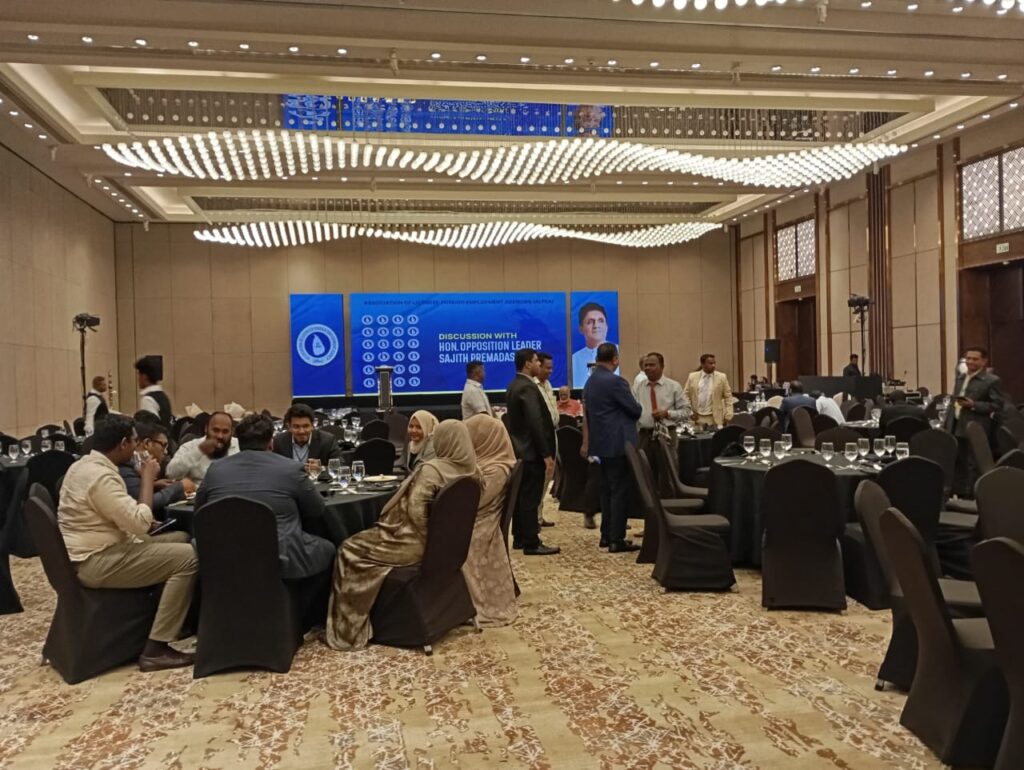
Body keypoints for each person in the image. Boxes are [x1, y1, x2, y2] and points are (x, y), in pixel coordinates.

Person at [57, 415, 197, 672]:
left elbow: (118, 516)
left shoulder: (82, 466)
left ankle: (166, 619)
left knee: (181, 538)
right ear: (122, 443)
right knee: (189, 557)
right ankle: (156, 648)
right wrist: (147, 478)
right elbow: (140, 523)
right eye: (134, 441)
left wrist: (140, 515)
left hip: (89, 552)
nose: (136, 447)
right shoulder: (100, 477)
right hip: (96, 561)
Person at [325, 420, 479, 650]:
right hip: (449, 548)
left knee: (348, 549)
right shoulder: (472, 471)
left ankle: (348, 632)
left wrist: (398, 531)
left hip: (414, 544)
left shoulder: (432, 471)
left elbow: (416, 514)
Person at [196, 414, 336, 625]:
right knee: (329, 549)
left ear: (238, 441)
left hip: (223, 554)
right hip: (279, 554)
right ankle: (298, 618)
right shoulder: (291, 469)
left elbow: (200, 511)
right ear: (271, 442)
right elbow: (316, 509)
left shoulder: (215, 470)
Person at [583, 343, 642, 553]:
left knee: (606, 490)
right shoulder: (616, 382)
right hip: (618, 444)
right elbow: (635, 410)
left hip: (600, 444)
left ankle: (606, 535)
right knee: (619, 491)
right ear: (615, 359)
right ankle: (617, 539)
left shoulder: (590, 382)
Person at [462, 414, 518, 626]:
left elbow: (476, 503)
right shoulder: (485, 462)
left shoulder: (496, 469)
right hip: (475, 518)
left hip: (481, 523)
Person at [505, 348, 559, 555]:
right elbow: (536, 422)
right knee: (530, 498)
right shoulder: (527, 387)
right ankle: (531, 542)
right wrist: (546, 453)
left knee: (521, 497)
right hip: (531, 452)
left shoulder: (514, 384)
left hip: (520, 450)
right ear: (528, 364)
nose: (539, 364)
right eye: (536, 361)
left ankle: (519, 537)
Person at [945, 347, 1005, 496]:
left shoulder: (991, 380)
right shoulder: (961, 378)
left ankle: (973, 498)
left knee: (973, 465)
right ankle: (958, 497)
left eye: (975, 359)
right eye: (968, 358)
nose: (970, 361)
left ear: (984, 361)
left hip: (975, 428)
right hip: (955, 426)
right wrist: (947, 423)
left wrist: (974, 405)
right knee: (958, 464)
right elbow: (954, 401)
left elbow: (997, 405)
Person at [118, 422, 192, 518]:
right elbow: (144, 505)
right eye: (163, 445)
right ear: (147, 443)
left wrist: (154, 484)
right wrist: (179, 487)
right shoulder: (125, 466)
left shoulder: (137, 465)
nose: (166, 452)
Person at [632, 352, 690, 453]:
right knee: (644, 463)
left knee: (667, 463)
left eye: (652, 365)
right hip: (644, 436)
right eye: (646, 365)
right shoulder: (638, 388)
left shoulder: (674, 386)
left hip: (667, 434)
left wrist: (667, 413)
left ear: (662, 366)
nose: (647, 368)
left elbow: (687, 411)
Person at [166, 411, 239, 483]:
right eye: (215, 430)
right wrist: (199, 451)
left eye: (225, 431)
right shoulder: (190, 447)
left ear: (232, 432)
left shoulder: (240, 446)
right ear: (206, 429)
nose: (220, 436)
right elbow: (170, 473)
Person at [272, 403, 343, 470]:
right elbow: (272, 467)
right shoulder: (278, 441)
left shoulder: (327, 440)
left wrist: (321, 468)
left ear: (312, 425)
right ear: (289, 427)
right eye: (296, 426)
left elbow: (340, 465)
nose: (301, 431)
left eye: (306, 426)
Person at [534, 352, 559, 528]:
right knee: (540, 478)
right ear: (539, 366)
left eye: (551, 368)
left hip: (553, 434)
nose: (550, 371)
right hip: (542, 436)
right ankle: (534, 518)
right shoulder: (532, 386)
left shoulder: (548, 385)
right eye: (547, 368)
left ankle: (539, 515)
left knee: (548, 477)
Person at [571, 302, 618, 386]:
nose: (596, 326)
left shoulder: (619, 352)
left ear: (607, 326)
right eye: (590, 322)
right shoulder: (574, 359)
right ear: (581, 328)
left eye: (600, 321)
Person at [683, 354, 734, 427]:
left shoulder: (722, 377)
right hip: (697, 417)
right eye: (710, 363)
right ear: (702, 364)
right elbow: (685, 396)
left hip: (715, 418)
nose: (713, 365)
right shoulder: (692, 377)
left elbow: (728, 397)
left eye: (714, 363)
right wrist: (690, 412)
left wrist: (729, 414)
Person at [135, 355, 173, 428]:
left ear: (144, 376)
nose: (138, 379)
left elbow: (148, 429)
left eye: (139, 375)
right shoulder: (163, 396)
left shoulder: (148, 400)